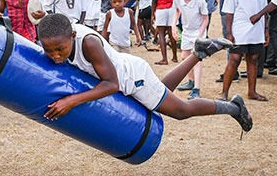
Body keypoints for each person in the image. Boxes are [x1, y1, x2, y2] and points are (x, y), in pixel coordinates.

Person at [37, 13, 252, 135]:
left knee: (180, 110)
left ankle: (234, 108)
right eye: (49, 51)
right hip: (130, 70)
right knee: (161, 92)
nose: (55, 56)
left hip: (133, 79)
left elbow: (111, 84)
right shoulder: (58, 34)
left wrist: (72, 101)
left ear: (73, 36)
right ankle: (199, 53)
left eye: (60, 50)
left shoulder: (88, 43)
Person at [220, 0, 268, 102]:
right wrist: (229, 33)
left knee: (253, 59)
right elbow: (229, 12)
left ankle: (252, 91)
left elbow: (264, 9)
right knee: (234, 59)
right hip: (239, 29)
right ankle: (224, 93)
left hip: (256, 30)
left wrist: (265, 30)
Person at [171, 0, 209, 99]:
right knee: (184, 57)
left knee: (196, 60)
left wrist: (200, 35)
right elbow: (177, 11)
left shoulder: (200, 1)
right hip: (187, 31)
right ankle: (190, 81)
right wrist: (174, 25)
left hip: (198, 31)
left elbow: (205, 19)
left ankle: (196, 89)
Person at [151, 0, 178, 65]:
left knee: (161, 34)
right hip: (171, 8)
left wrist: (152, 14)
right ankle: (175, 57)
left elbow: (154, 0)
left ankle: (164, 59)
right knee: (172, 33)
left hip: (160, 8)